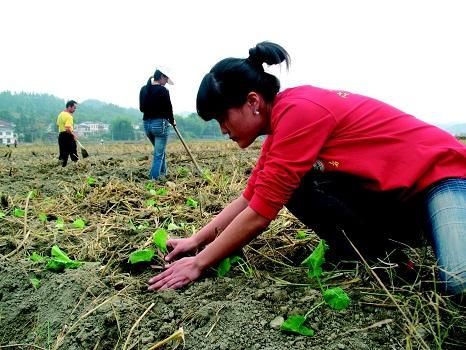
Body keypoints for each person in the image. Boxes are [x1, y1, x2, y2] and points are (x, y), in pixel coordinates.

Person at [148, 42, 466, 297]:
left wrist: (199, 264)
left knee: (459, 281)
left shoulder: (300, 112)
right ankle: (383, 258)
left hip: (443, 177)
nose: (223, 130)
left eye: (222, 118)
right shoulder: (281, 127)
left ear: (253, 101)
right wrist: (195, 240)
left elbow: (260, 214)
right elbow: (250, 198)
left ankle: (395, 248)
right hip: (401, 198)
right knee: (298, 184)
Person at [139, 67, 176, 180]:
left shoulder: (143, 89)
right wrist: (172, 120)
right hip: (160, 125)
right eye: (166, 80)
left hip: (147, 126)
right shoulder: (163, 91)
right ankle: (154, 179)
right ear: (161, 77)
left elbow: (142, 109)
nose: (166, 83)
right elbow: (168, 108)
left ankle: (163, 174)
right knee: (158, 154)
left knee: (160, 151)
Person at [56, 100, 78, 167]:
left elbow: (57, 125)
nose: (75, 109)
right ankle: (77, 166)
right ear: (69, 107)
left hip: (61, 136)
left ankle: (61, 167)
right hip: (68, 135)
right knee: (73, 152)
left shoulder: (60, 115)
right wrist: (73, 135)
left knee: (63, 153)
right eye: (74, 108)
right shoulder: (69, 116)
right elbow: (68, 128)